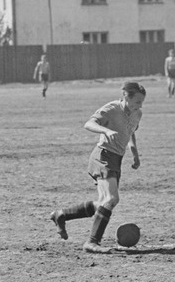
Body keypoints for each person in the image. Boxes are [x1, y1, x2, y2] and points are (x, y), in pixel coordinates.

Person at [50, 82, 146, 253]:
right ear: (126, 96)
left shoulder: (137, 113)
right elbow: (89, 124)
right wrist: (105, 131)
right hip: (103, 156)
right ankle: (92, 242)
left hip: (116, 159)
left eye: (142, 102)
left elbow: (131, 132)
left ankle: (62, 215)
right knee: (112, 199)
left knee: (103, 202)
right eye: (137, 101)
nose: (140, 105)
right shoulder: (112, 109)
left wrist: (135, 153)